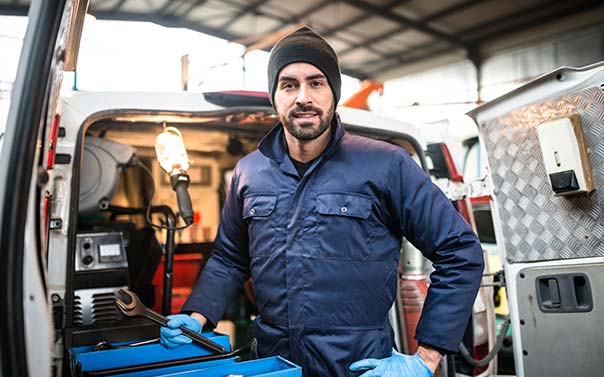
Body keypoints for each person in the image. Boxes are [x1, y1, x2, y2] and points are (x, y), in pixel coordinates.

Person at [160, 26, 484, 376]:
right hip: (272, 363)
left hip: (357, 366)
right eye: (289, 84)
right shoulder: (248, 173)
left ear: (333, 93)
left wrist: (425, 358)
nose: (303, 97)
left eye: (316, 83)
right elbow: (230, 258)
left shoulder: (386, 165)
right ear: (275, 96)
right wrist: (197, 316)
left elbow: (460, 251)